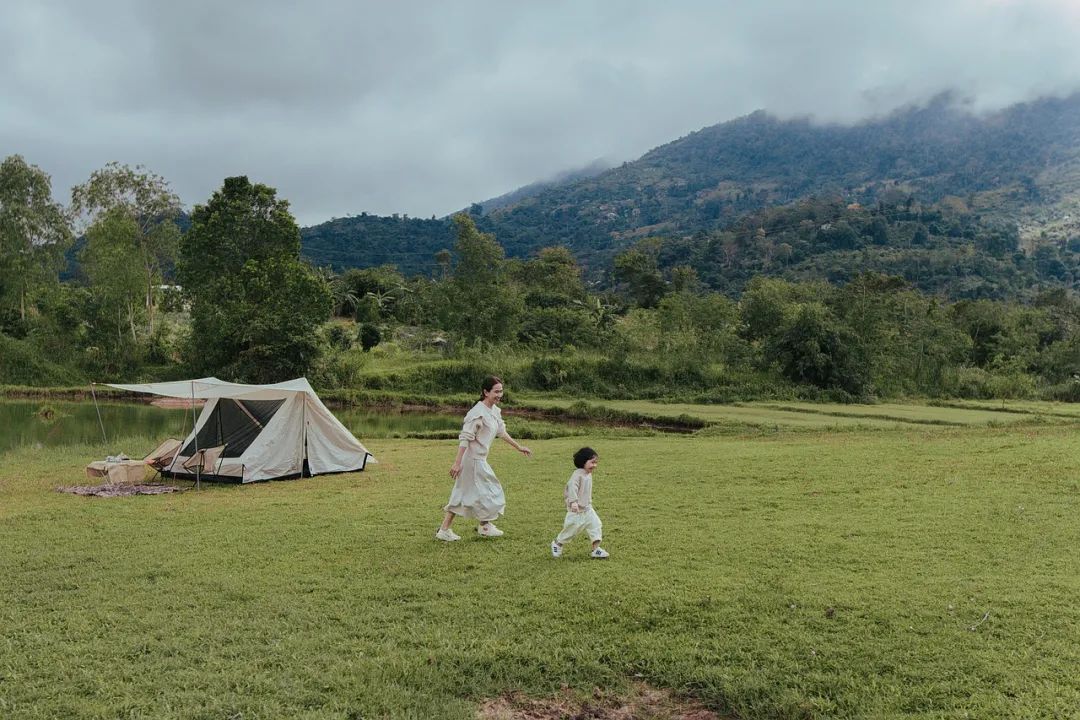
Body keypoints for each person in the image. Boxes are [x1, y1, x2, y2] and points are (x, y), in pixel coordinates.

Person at [436, 376, 531, 541]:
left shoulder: (494, 411)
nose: (499, 395)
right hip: (471, 460)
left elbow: (501, 432)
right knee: (470, 493)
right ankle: (447, 530)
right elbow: (465, 438)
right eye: (496, 391)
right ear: (486, 392)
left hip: (480, 460)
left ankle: (484, 526)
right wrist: (457, 463)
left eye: (501, 391)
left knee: (482, 492)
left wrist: (518, 447)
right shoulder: (477, 413)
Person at [551, 447, 609, 559]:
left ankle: (596, 549)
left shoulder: (588, 473)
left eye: (596, 462)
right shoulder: (577, 475)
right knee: (571, 530)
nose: (595, 465)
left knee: (596, 525)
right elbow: (572, 488)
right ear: (583, 461)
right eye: (592, 462)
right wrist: (573, 502)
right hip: (576, 510)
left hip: (587, 509)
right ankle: (557, 544)